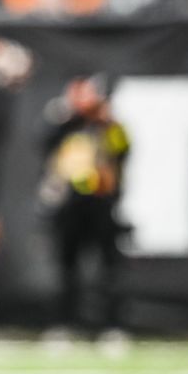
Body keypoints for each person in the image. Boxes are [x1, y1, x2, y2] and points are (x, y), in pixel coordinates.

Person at [40, 76, 130, 337]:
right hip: (69, 204)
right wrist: (69, 112)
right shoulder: (65, 123)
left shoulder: (110, 127)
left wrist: (105, 121)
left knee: (108, 268)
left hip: (102, 202)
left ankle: (112, 326)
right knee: (66, 267)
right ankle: (62, 325)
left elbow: (123, 148)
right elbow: (43, 140)